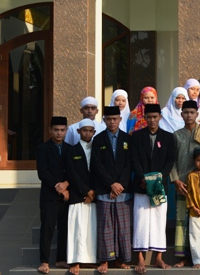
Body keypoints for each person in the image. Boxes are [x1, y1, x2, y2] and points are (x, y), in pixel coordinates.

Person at [131, 103, 176, 273]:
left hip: (158, 186)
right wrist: (144, 178)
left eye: (155, 117)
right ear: (144, 118)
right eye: (149, 117)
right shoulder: (136, 136)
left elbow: (170, 161)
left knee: (158, 220)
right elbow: (134, 159)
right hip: (141, 185)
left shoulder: (167, 137)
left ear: (160, 117)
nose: (152, 120)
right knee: (141, 221)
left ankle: (158, 257)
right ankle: (140, 258)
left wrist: (156, 179)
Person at [91, 106, 132, 273]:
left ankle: (121, 259)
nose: (112, 122)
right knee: (106, 226)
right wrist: (111, 184)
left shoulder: (127, 139)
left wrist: (120, 184)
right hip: (105, 189)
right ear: (104, 120)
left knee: (122, 227)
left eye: (115, 118)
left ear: (120, 119)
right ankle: (106, 259)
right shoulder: (98, 140)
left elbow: (129, 164)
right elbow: (97, 165)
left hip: (123, 190)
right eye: (108, 119)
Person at [36, 116, 71, 274]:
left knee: (64, 228)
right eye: (56, 130)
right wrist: (59, 187)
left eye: (62, 130)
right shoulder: (43, 149)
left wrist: (67, 184)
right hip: (50, 195)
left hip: (66, 196)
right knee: (47, 229)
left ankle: (61, 259)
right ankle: (44, 261)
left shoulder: (71, 149)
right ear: (50, 130)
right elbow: (43, 172)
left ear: (66, 130)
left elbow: (74, 171)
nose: (59, 133)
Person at [170, 100, 200, 267]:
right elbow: (171, 160)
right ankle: (183, 257)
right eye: (186, 112)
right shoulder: (176, 135)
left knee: (198, 220)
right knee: (182, 221)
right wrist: (175, 180)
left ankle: (199, 256)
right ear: (181, 114)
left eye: (192, 112)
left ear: (197, 114)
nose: (189, 115)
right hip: (181, 185)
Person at [65, 119, 98, 275]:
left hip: (94, 196)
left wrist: (94, 192)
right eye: (84, 130)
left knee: (92, 230)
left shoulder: (98, 149)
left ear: (94, 132)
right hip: (78, 196)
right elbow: (72, 174)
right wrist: (86, 191)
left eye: (90, 131)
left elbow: (100, 172)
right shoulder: (71, 150)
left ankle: (91, 260)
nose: (87, 133)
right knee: (77, 229)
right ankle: (75, 260)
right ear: (78, 131)